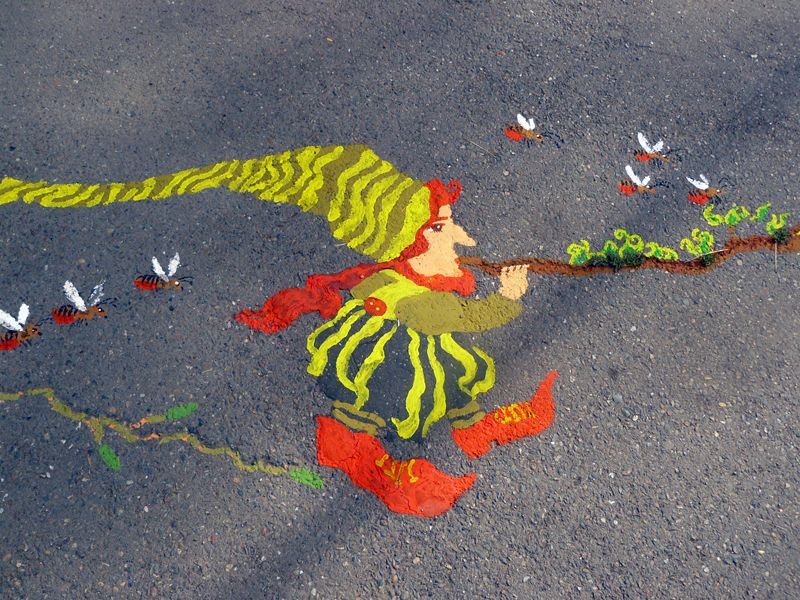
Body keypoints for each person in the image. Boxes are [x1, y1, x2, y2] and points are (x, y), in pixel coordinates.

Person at [0, 144, 556, 516]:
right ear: (416, 238)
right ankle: (361, 452)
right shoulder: (414, 295)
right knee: (397, 388)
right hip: (389, 351)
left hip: (406, 340)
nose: (459, 232)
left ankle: (472, 426)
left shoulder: (413, 274)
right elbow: (463, 318)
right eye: (444, 224)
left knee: (448, 373)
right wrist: (508, 300)